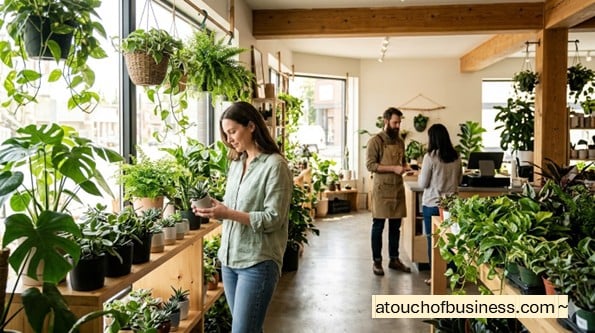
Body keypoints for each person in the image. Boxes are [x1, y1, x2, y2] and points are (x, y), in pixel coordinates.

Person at [194, 101, 293, 333]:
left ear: (251, 126)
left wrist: (228, 213)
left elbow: (274, 218)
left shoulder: (275, 166)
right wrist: (216, 210)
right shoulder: (237, 164)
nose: (229, 139)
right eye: (226, 134)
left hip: (258, 262)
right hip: (229, 260)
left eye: (233, 131)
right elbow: (235, 209)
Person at [366, 107, 411, 276]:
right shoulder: (375, 141)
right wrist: (394, 168)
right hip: (382, 189)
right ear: (386, 121)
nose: (398, 125)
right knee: (378, 226)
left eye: (399, 122)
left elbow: (403, 161)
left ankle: (394, 259)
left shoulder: (400, 141)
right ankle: (377, 262)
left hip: (397, 188)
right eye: (395, 122)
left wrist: (406, 168)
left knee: (395, 227)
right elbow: (370, 165)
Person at [418, 123, 462, 286]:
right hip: (451, 205)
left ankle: (436, 277)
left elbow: (423, 183)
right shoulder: (456, 156)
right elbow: (460, 180)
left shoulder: (430, 157)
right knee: (452, 240)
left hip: (432, 204)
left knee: (434, 241)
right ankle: (455, 276)